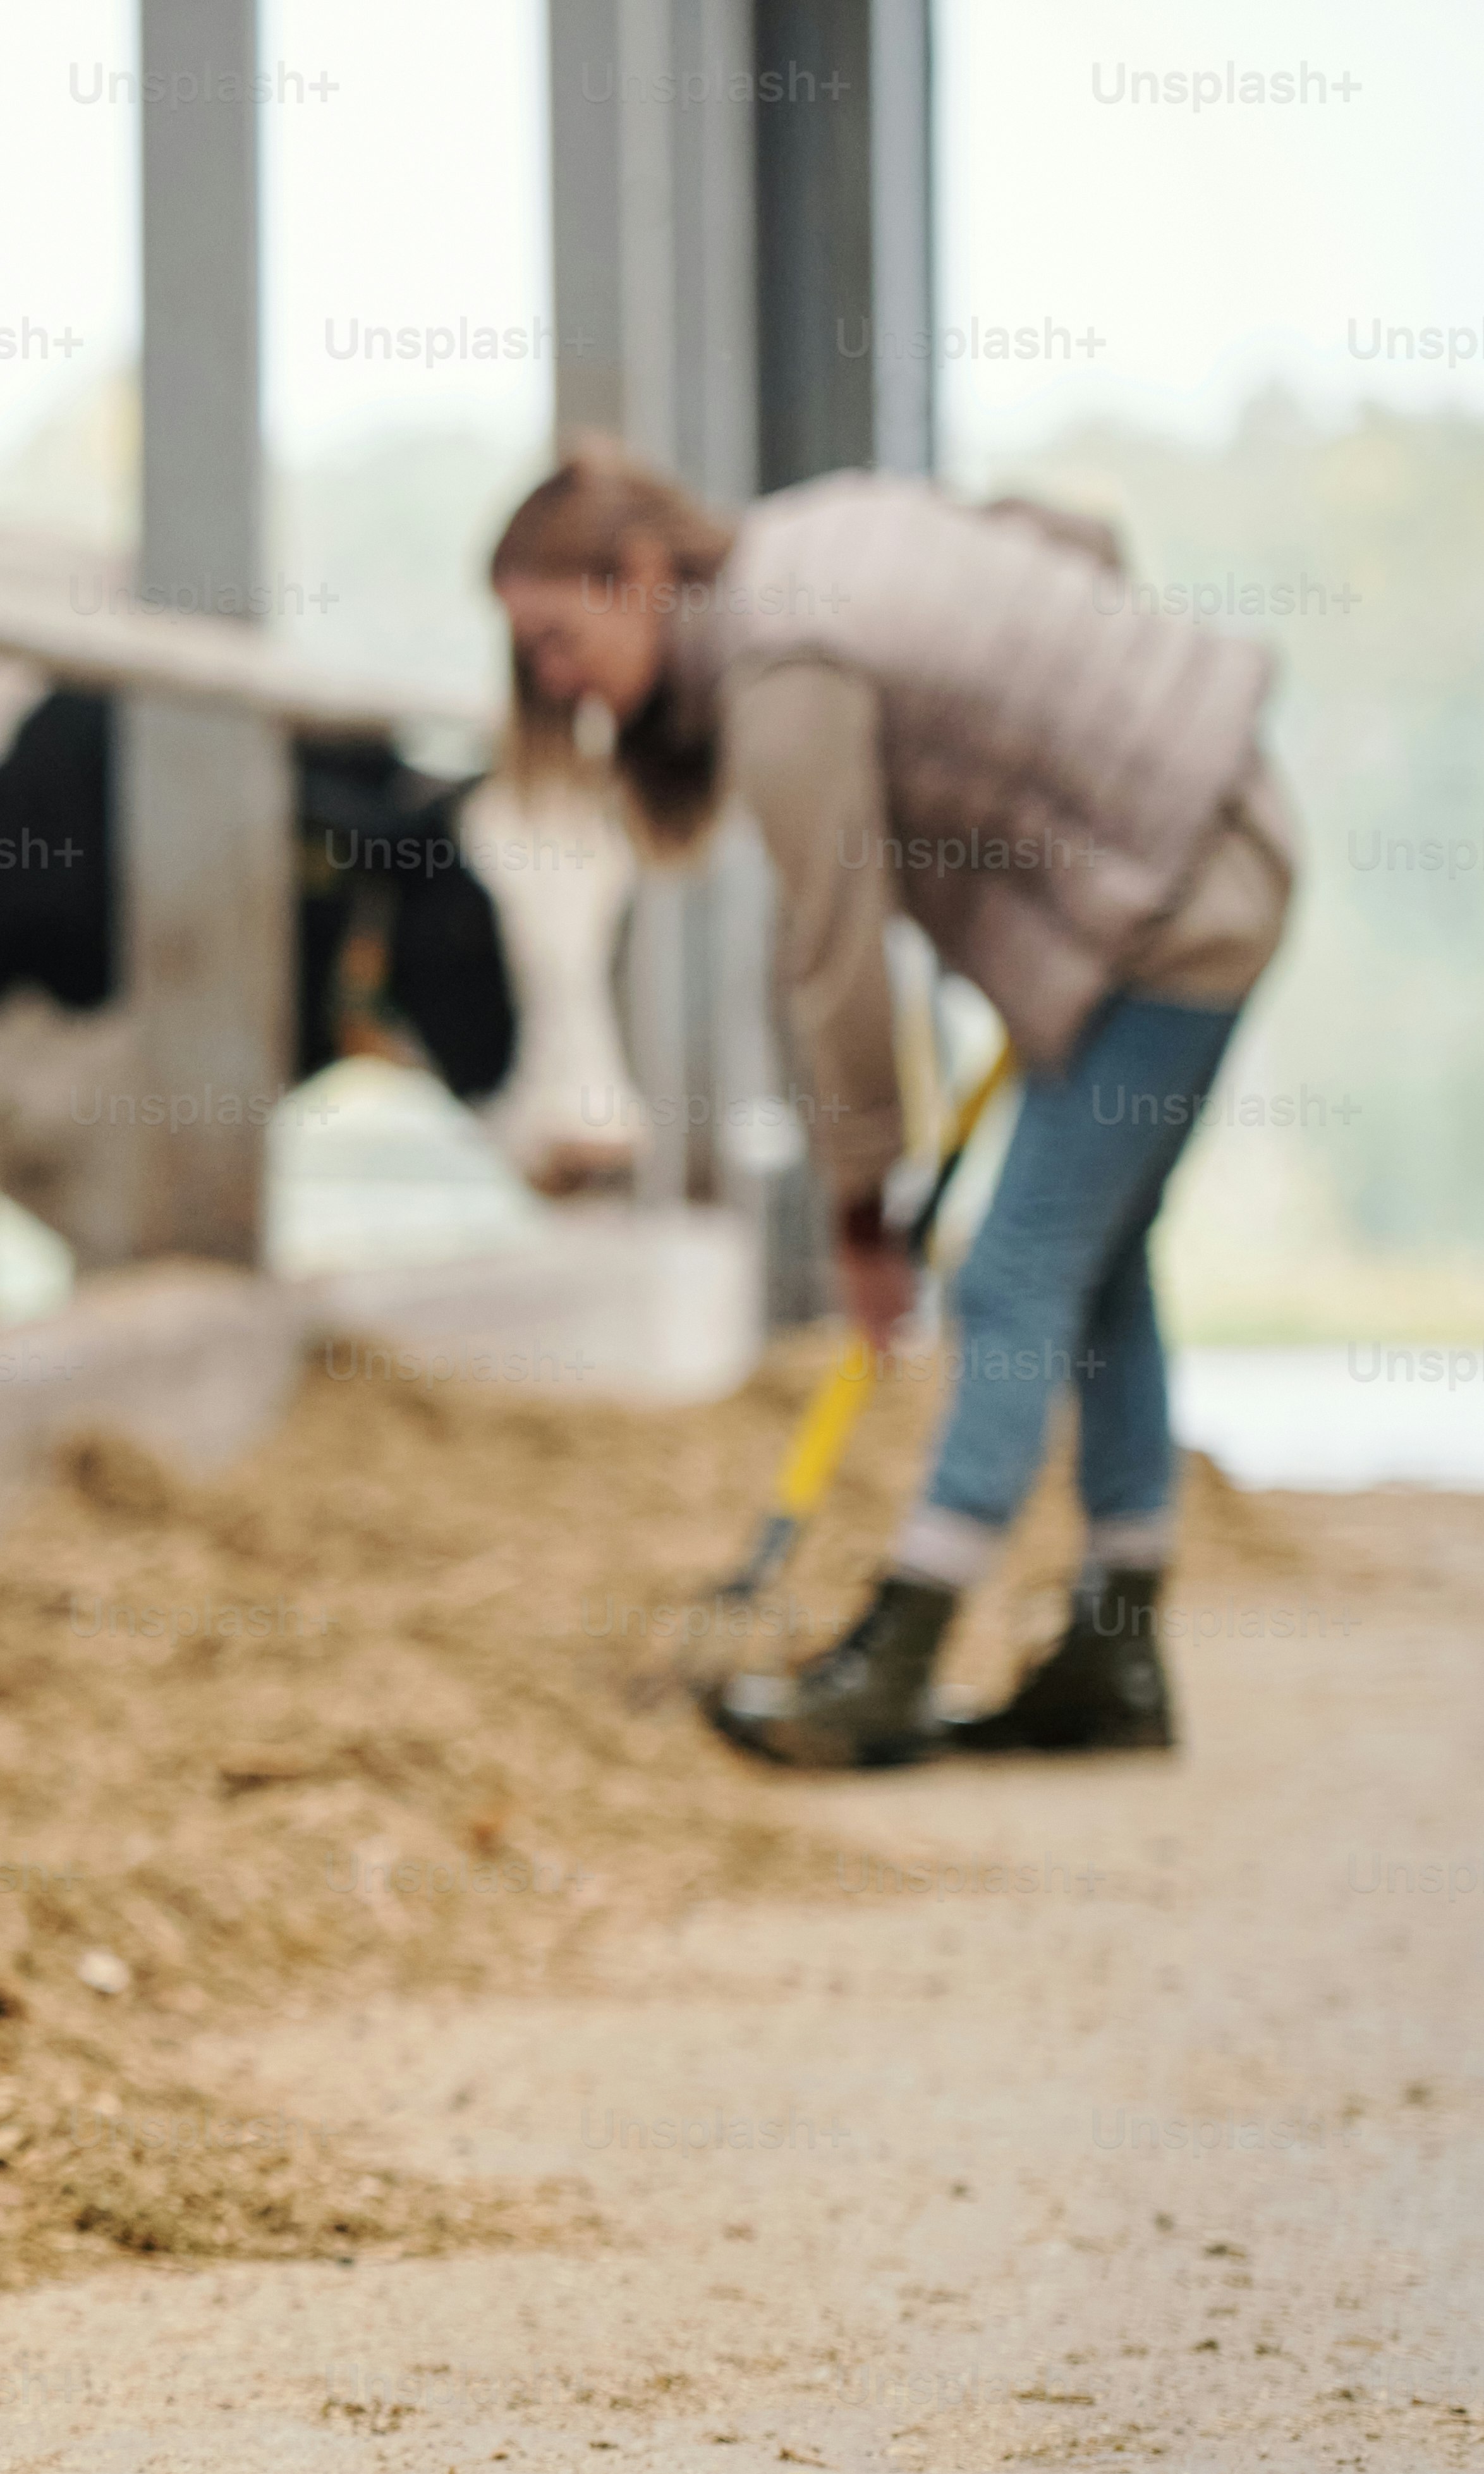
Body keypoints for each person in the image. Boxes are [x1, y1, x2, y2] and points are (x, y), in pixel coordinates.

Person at [487, 437, 1296, 1767]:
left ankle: (898, 1646)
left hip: (1173, 902)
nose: (550, 682)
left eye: (557, 638)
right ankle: (1114, 1646)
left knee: (1011, 1274)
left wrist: (862, 1210)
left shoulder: (775, 664)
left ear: (636, 574)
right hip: (1194, 854)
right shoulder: (812, 541)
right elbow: (1067, 540)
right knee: (1093, 1266)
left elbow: (834, 953)